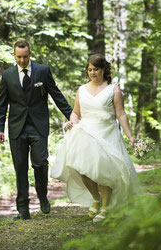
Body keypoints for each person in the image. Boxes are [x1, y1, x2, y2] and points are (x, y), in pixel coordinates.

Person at [51, 54, 141, 222]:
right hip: (85, 133)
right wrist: (72, 122)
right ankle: (96, 197)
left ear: (103, 70)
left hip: (107, 133)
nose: (92, 73)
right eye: (90, 70)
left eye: (96, 69)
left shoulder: (113, 89)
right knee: (83, 170)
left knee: (103, 171)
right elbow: (76, 113)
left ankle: (106, 207)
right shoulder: (82, 90)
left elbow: (121, 114)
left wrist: (130, 136)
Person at [0, 40, 73, 220]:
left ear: (30, 54)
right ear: (14, 56)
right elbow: (2, 104)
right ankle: (23, 209)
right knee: (20, 168)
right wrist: (0, 128)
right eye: (19, 57)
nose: (22, 60)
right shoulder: (7, 75)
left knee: (40, 163)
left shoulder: (42, 71)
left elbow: (57, 95)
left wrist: (72, 115)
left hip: (38, 127)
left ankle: (42, 196)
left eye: (25, 57)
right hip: (17, 128)